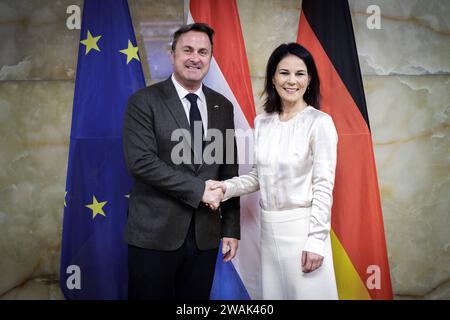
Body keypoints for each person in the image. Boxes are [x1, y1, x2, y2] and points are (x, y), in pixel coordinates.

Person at [210, 43, 339, 299]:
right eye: (284, 72)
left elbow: (324, 185)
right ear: (272, 77)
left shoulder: (320, 123)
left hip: (304, 233)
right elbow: (259, 176)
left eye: (299, 73)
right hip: (269, 233)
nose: (291, 81)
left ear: (310, 79)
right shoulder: (263, 122)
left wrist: (316, 240)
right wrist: (226, 188)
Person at [122, 23, 240, 300]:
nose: (194, 58)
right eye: (187, 50)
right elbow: (141, 162)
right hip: (153, 234)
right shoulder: (144, 101)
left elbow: (228, 168)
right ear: (171, 54)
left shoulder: (222, 106)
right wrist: (198, 190)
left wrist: (231, 228)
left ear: (210, 58)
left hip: (205, 236)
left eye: (203, 51)